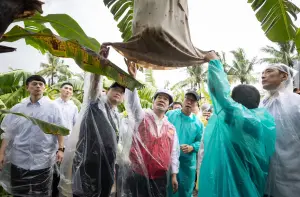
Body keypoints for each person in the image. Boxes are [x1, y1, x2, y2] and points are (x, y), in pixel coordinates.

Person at [198, 52, 276, 197]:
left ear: (236, 102)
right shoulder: (263, 120)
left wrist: (215, 62)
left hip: (235, 183)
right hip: (255, 182)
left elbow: (220, 93)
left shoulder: (239, 116)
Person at [0, 75, 65, 197]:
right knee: (19, 192)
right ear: (27, 87)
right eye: (34, 83)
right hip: (19, 159)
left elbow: (59, 130)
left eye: (41, 84)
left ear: (44, 88)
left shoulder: (53, 108)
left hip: (43, 160)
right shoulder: (18, 108)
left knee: (41, 193)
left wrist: (61, 149)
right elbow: (8, 132)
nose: (38, 86)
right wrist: (1, 153)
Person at [124, 60, 179, 197]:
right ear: (153, 102)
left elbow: (174, 153)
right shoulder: (141, 117)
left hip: (159, 177)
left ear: (168, 106)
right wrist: (132, 79)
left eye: (166, 99)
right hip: (138, 174)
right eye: (159, 97)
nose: (162, 100)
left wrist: (173, 175)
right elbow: (132, 103)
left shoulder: (171, 128)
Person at [71, 81, 125, 197]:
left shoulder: (117, 115)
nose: (118, 93)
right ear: (107, 91)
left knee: (104, 192)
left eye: (122, 92)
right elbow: (93, 86)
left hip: (108, 165)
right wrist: (97, 69)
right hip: (88, 162)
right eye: (115, 89)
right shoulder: (95, 104)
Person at [260, 63, 300, 197]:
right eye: (262, 73)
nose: (263, 75)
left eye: (269, 71)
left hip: (291, 178)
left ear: (284, 76)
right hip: (264, 178)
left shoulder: (296, 103)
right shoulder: (261, 105)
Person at [166, 90, 203, 197]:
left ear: (196, 104)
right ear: (183, 100)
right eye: (187, 99)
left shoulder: (198, 123)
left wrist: (192, 147)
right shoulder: (170, 115)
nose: (189, 102)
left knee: (185, 190)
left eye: (193, 101)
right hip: (169, 160)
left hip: (187, 164)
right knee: (169, 190)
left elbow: (201, 141)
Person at [52, 82, 78, 197]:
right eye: (66, 88)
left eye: (70, 89)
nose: (68, 90)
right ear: (60, 90)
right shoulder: (52, 104)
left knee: (65, 170)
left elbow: (75, 125)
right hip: (52, 143)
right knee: (53, 171)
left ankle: (60, 192)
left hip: (68, 144)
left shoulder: (73, 107)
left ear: (72, 93)